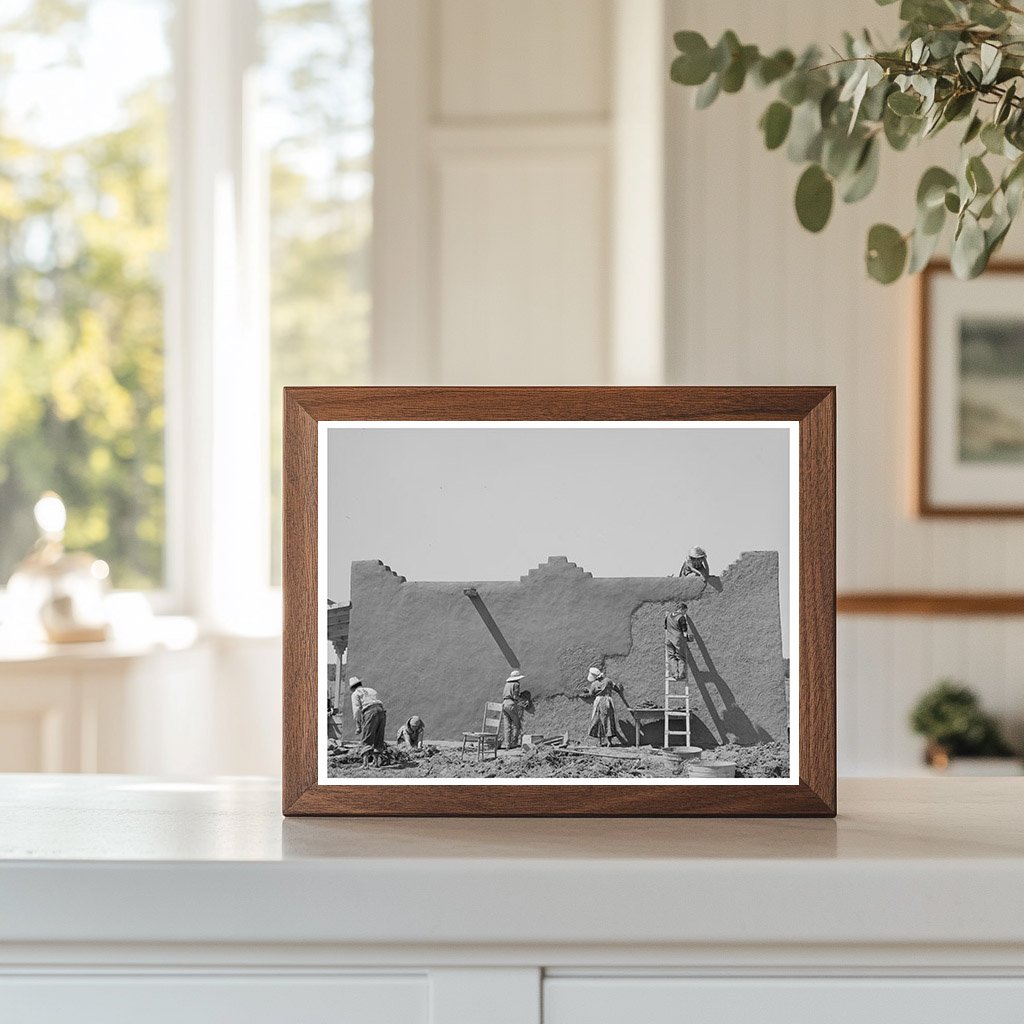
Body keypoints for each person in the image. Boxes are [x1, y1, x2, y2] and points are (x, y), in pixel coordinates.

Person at [349, 676, 387, 767]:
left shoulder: (355, 694)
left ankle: (365, 763)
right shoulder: (372, 690)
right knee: (379, 736)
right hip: (381, 711)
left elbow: (357, 710)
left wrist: (358, 726)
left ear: (353, 688)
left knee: (367, 737)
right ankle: (376, 762)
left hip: (370, 711)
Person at [585, 667, 626, 746]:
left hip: (598, 702)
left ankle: (599, 742)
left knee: (598, 721)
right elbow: (616, 688)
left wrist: (587, 690)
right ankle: (609, 742)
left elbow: (591, 694)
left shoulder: (594, 684)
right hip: (607, 702)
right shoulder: (608, 681)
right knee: (608, 721)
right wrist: (620, 688)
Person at [500, 669, 526, 749]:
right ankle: (514, 742)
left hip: (504, 703)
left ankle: (507, 744)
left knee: (507, 725)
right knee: (516, 723)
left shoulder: (507, 684)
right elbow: (515, 696)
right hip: (511, 704)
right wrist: (522, 701)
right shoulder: (516, 684)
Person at [665, 603, 691, 681]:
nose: (685, 613)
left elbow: (666, 627)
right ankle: (681, 674)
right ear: (681, 609)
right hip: (678, 640)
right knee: (681, 657)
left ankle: (675, 675)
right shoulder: (681, 618)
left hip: (669, 639)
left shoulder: (668, 616)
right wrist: (688, 638)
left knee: (671, 657)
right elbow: (685, 632)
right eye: (685, 611)